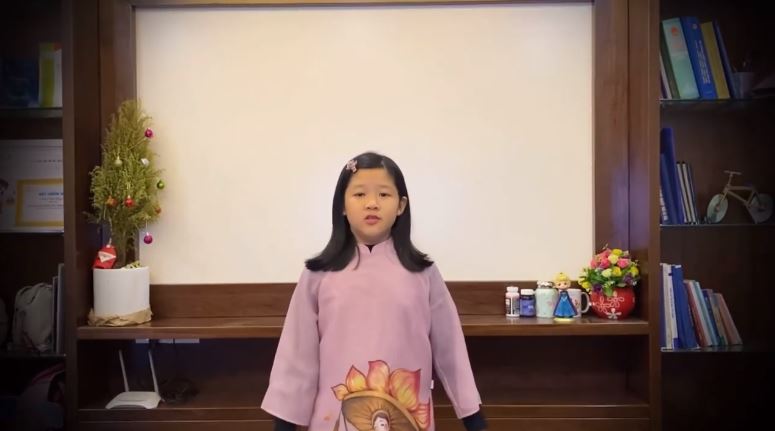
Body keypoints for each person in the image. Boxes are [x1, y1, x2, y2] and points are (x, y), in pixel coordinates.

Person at [261, 152, 487, 431]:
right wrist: (284, 425)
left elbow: (450, 348)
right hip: (335, 417)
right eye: (359, 194)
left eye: (383, 194)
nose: (372, 203)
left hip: (405, 417)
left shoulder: (423, 273)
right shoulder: (318, 275)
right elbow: (296, 357)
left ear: (401, 205)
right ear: (342, 205)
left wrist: (472, 416)